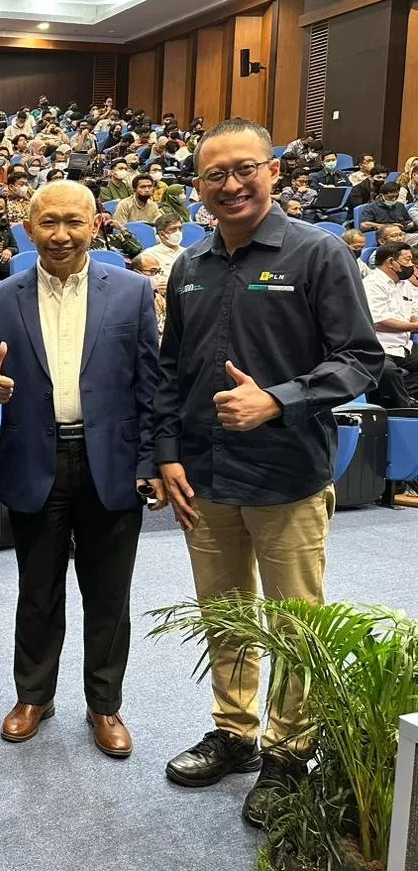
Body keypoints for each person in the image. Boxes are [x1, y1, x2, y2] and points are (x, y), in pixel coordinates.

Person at [154, 119, 383, 828]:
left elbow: (360, 359)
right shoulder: (189, 266)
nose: (231, 184)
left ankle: (289, 750)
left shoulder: (317, 254)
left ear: (273, 172)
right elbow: (170, 370)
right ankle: (234, 731)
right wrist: (166, 453)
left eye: (244, 169)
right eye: (214, 175)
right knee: (224, 615)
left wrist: (276, 401)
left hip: (288, 472)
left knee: (293, 622)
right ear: (199, 188)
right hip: (205, 475)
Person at [0, 180, 162, 758]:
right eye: (48, 222)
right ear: (28, 228)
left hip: (112, 463)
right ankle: (34, 695)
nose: (61, 234)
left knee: (108, 596)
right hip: (36, 460)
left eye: (73, 222)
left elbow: (151, 386)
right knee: (38, 590)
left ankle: (104, 705)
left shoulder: (130, 292)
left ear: (95, 224)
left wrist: (151, 460)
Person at [363, 241, 418, 407]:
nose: (411, 265)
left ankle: (409, 397)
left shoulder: (404, 284)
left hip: (403, 345)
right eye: (407, 260)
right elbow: (380, 322)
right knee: (388, 372)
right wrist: (414, 326)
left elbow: (413, 313)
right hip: (377, 346)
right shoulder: (372, 284)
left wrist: (414, 323)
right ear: (391, 262)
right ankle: (403, 409)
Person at [130, 252, 168, 338]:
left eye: (159, 271)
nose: (157, 276)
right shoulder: (129, 301)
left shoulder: (159, 298)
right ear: (137, 273)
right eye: (152, 271)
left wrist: (168, 296)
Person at [140, 213, 187, 279]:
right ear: (162, 234)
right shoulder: (149, 254)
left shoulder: (188, 252)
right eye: (173, 229)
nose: (178, 232)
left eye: (180, 228)